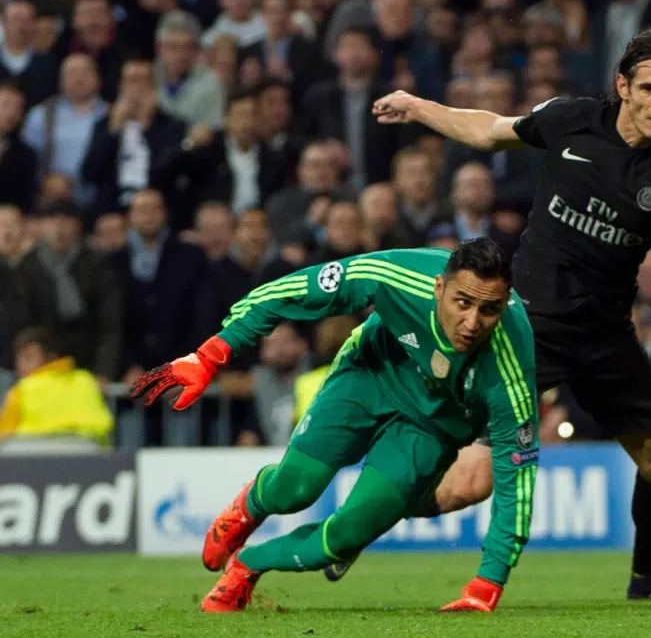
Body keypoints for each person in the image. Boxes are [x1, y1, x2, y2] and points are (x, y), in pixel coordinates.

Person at [359, 27, 651, 601]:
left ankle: (649, 582)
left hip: (605, 336)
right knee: (467, 486)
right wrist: (418, 106)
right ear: (622, 87)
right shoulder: (572, 120)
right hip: (529, 328)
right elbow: (489, 130)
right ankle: (359, 522)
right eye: (649, 89)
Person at [129, 239, 537, 613]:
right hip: (369, 376)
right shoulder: (398, 274)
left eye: (489, 310)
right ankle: (250, 505)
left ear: (504, 305)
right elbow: (291, 291)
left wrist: (488, 582)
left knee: (344, 538)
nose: (472, 322)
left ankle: (247, 566)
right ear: (438, 288)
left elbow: (516, 479)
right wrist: (210, 354)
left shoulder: (512, 365)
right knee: (296, 488)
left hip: (431, 428)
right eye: (462, 302)